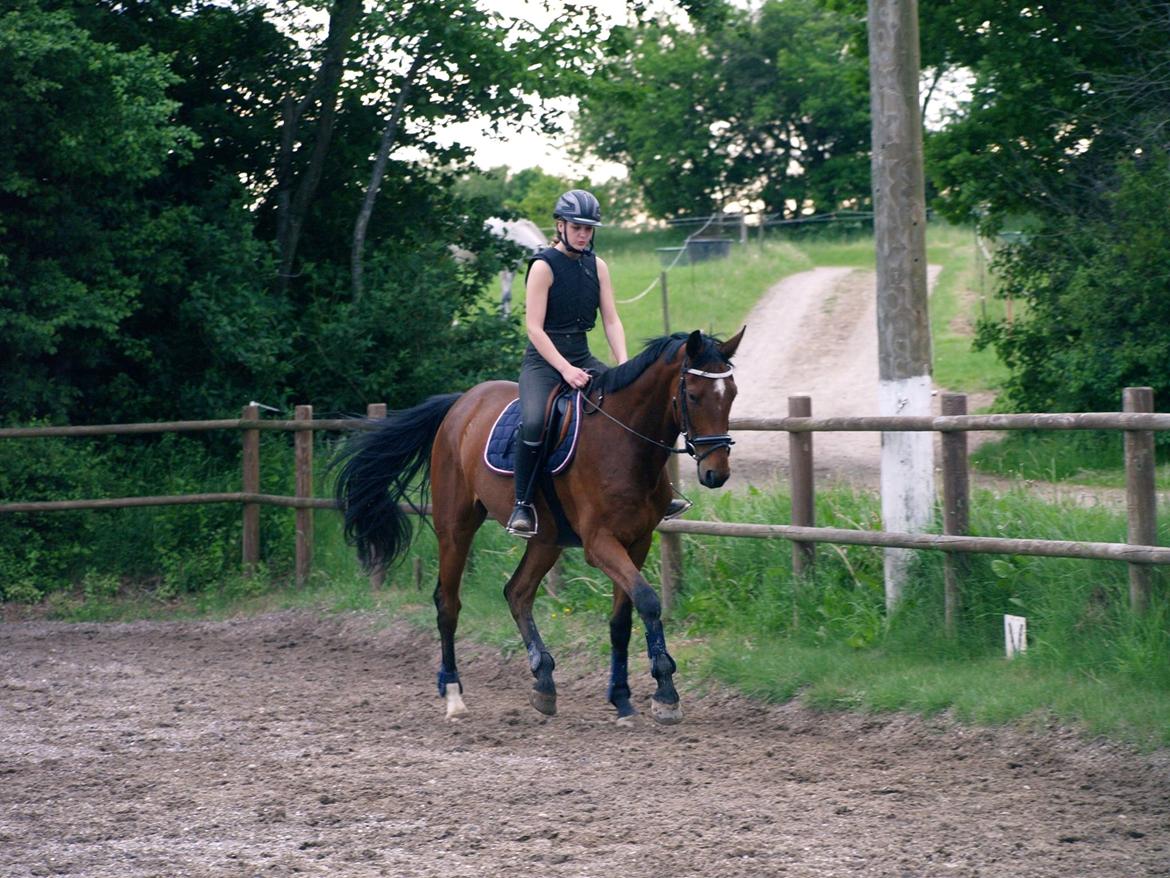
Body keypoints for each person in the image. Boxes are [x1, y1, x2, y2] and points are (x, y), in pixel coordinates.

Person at [507, 189, 626, 537]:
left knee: (631, 403)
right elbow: (534, 328)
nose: (584, 234)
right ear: (560, 226)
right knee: (534, 422)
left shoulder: (598, 266)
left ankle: (656, 491)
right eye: (577, 227)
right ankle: (522, 504)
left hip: (582, 354)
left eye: (589, 229)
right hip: (544, 362)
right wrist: (564, 369)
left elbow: (611, 320)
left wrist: (623, 364)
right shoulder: (543, 266)